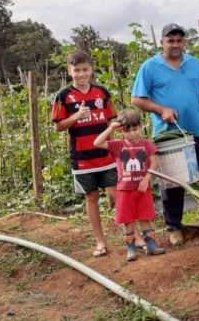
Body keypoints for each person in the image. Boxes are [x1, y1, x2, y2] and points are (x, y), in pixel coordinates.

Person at [131, 23, 199, 246]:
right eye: (170, 40)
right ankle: (174, 227)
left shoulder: (195, 65)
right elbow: (137, 99)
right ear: (162, 42)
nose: (175, 45)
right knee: (173, 182)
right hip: (169, 136)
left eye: (179, 40)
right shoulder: (150, 67)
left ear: (184, 42)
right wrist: (161, 109)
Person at [51, 51, 145, 258]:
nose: (81, 74)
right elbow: (59, 127)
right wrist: (76, 116)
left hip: (106, 156)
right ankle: (100, 242)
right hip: (83, 158)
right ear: (70, 71)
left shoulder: (102, 93)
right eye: (77, 70)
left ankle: (137, 237)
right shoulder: (63, 96)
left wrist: (124, 140)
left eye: (85, 70)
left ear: (91, 70)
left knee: (118, 194)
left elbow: (112, 122)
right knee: (91, 196)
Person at [94, 109, 166, 261]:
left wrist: (146, 178)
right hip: (125, 190)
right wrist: (111, 128)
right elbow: (97, 143)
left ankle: (152, 245)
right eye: (127, 131)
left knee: (145, 218)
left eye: (135, 129)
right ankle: (131, 248)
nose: (132, 134)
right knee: (128, 220)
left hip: (142, 189)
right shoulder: (118, 146)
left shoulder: (146, 144)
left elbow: (154, 163)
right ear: (121, 132)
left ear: (140, 127)